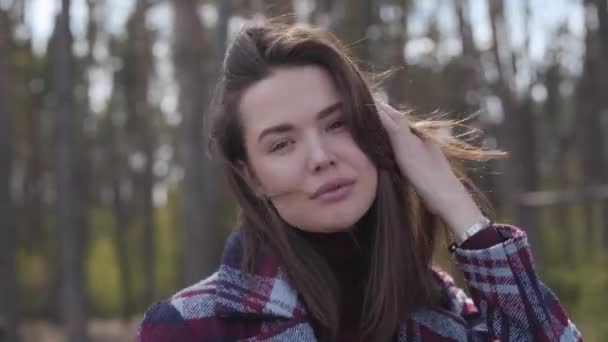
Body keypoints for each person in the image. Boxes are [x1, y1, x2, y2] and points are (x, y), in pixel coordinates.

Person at [137, 21, 582, 341]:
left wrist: (455, 204)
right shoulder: (188, 328)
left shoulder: (443, 315)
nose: (321, 158)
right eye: (282, 145)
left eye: (337, 124)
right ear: (252, 176)